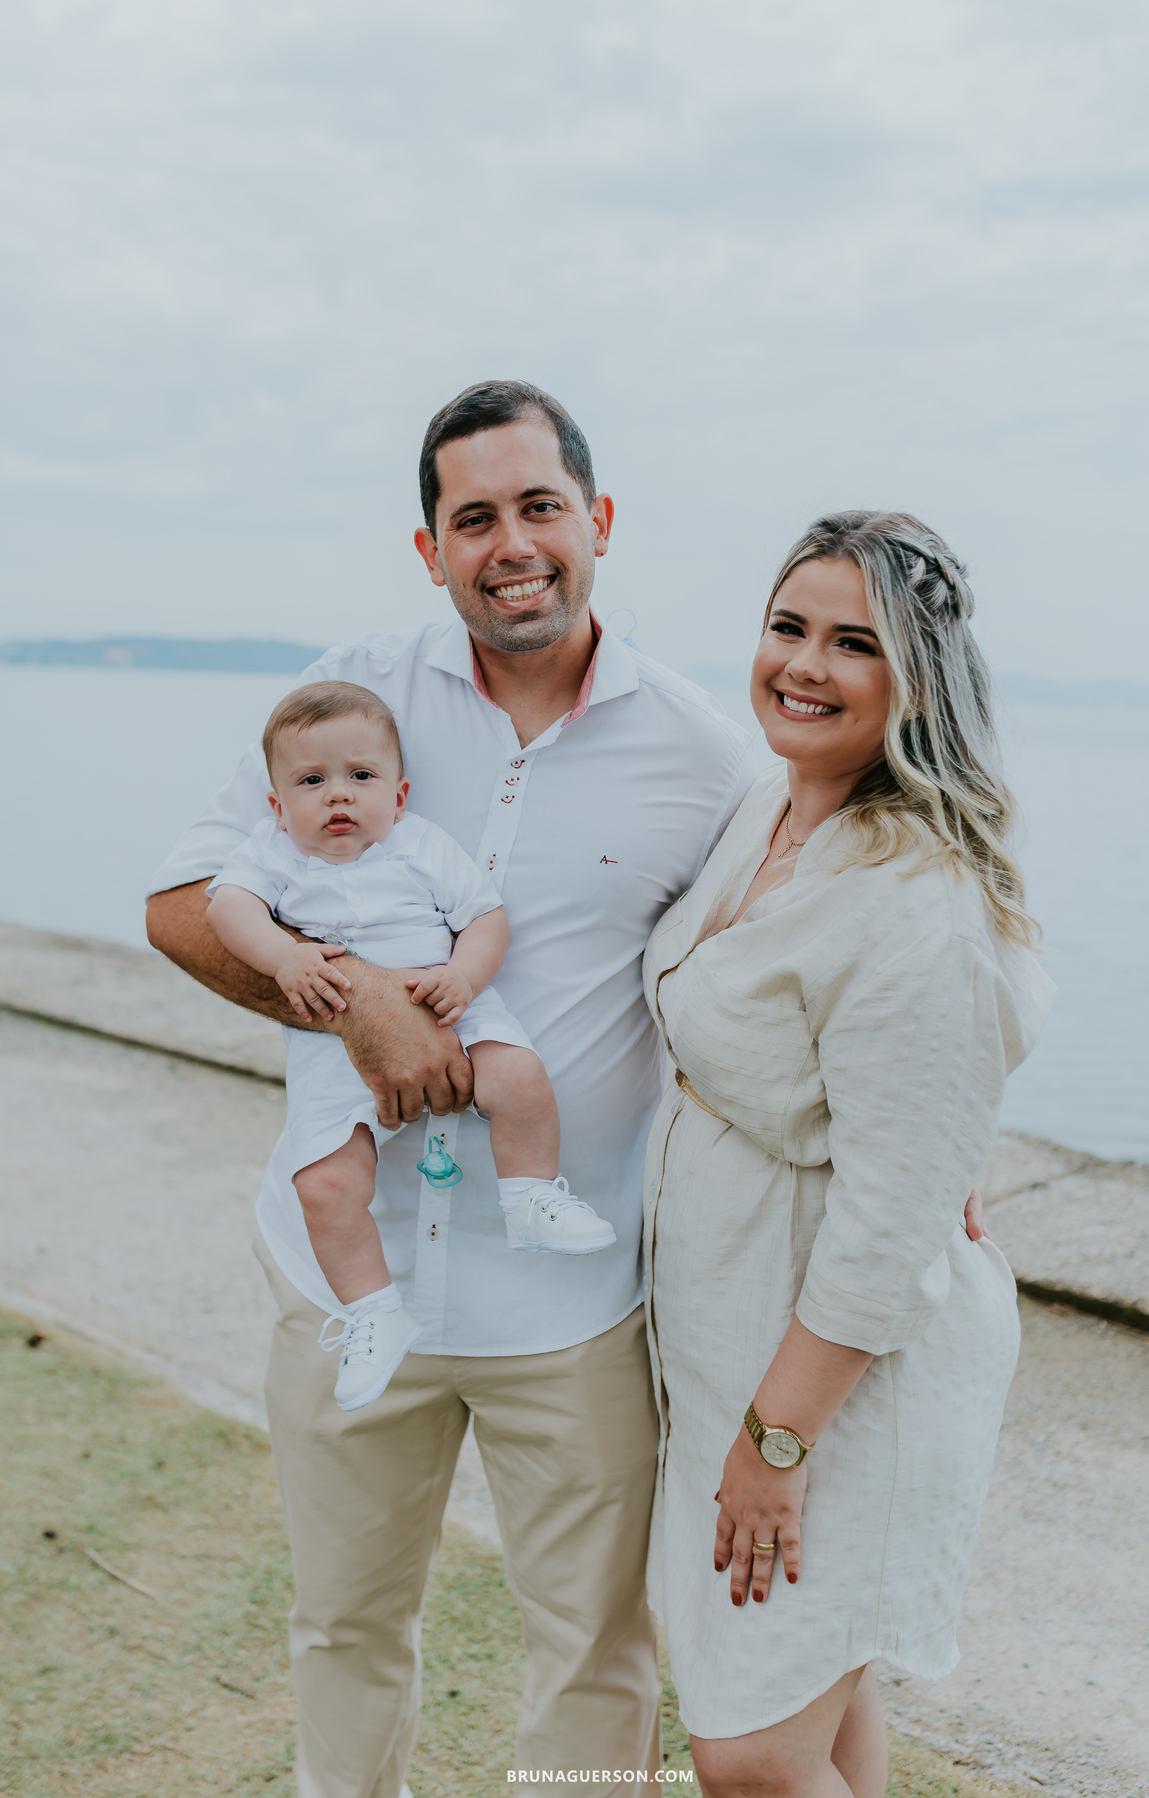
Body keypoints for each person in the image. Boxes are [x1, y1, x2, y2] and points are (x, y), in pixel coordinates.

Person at [146, 380, 758, 1796]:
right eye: (472, 516)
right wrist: (356, 999)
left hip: (575, 1303)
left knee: (597, 1652)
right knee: (345, 1627)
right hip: (347, 1290)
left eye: (539, 507)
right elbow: (183, 902)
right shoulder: (352, 693)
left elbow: (784, 970)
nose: (510, 543)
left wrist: (938, 1135)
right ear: (430, 547)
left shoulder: (703, 753)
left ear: (597, 522)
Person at [640, 511, 1055, 1798]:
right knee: (821, 1711)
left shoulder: (918, 898)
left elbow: (888, 1228)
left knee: (753, 1751)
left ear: (915, 679)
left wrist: (777, 1446)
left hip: (841, 1383)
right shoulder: (771, 808)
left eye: (853, 643)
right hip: (739, 1340)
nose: (804, 665)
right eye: (788, 628)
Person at [207, 678, 615, 1413]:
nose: (338, 795)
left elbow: (485, 917)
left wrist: (464, 973)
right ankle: (373, 1312)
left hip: (445, 1001)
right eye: (311, 781)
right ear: (276, 806)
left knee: (519, 1078)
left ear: (397, 795)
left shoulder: (419, 845)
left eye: (360, 777)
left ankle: (530, 1196)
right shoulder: (272, 856)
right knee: (323, 1187)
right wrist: (282, 957)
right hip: (333, 1041)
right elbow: (225, 906)